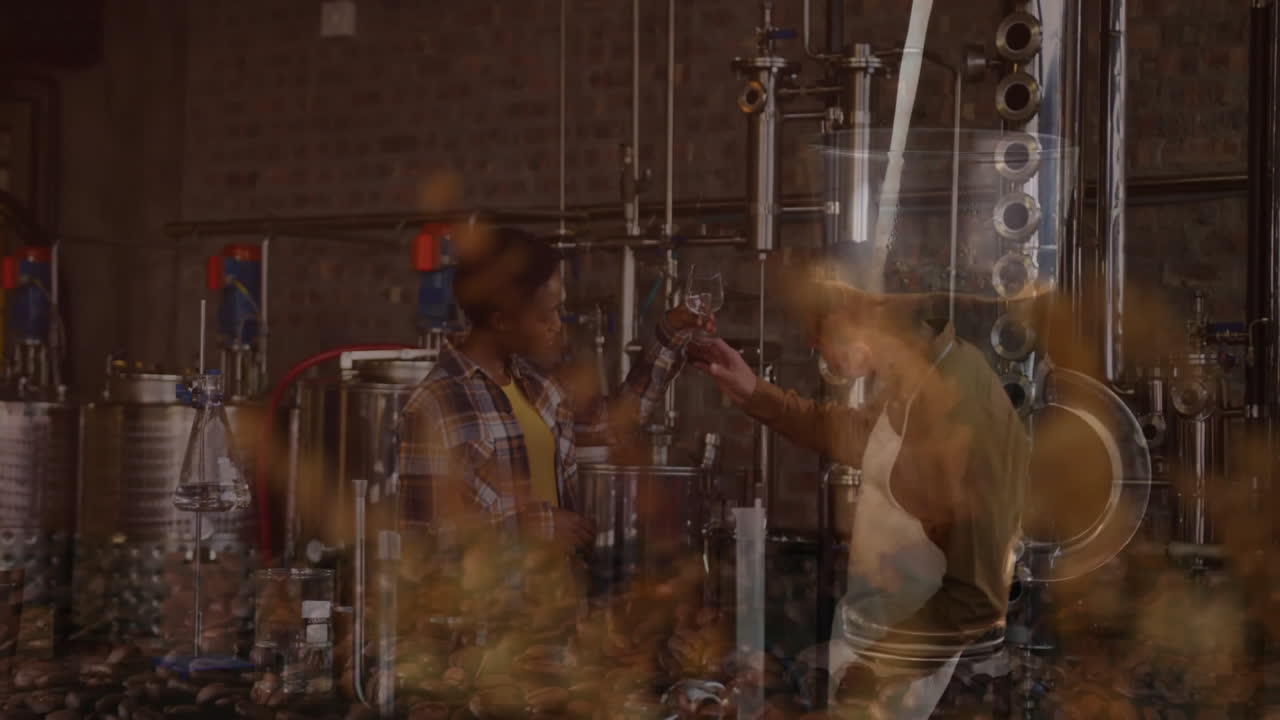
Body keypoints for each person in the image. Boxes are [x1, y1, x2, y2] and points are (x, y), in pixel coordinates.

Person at [691, 277, 1028, 719]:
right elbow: (856, 436)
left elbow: (979, 599)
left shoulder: (961, 408)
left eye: (819, 333)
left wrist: (875, 671)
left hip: (925, 682)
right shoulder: (920, 376)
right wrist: (752, 390)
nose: (815, 346)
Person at [397, 225, 711, 552]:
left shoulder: (539, 387)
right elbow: (421, 545)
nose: (558, 325)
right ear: (502, 320)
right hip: (491, 603)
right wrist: (532, 527)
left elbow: (616, 423)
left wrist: (671, 333)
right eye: (546, 314)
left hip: (557, 597)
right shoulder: (433, 405)